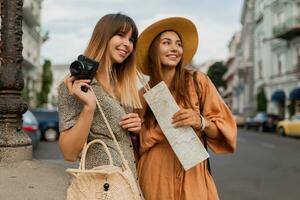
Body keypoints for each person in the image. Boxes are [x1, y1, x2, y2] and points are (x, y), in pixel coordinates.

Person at [135, 17, 237, 200]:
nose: (175, 48)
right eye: (166, 43)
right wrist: (158, 130)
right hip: (155, 174)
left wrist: (201, 122)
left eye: (179, 44)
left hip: (193, 172)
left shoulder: (198, 81)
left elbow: (225, 130)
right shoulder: (142, 95)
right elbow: (135, 145)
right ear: (153, 50)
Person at [58, 13, 143, 182]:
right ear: (103, 36)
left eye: (131, 39)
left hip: (128, 183)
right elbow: (68, 152)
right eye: (120, 35)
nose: (127, 44)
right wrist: (89, 108)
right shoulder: (77, 84)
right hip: (101, 184)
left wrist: (136, 128)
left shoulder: (122, 86)